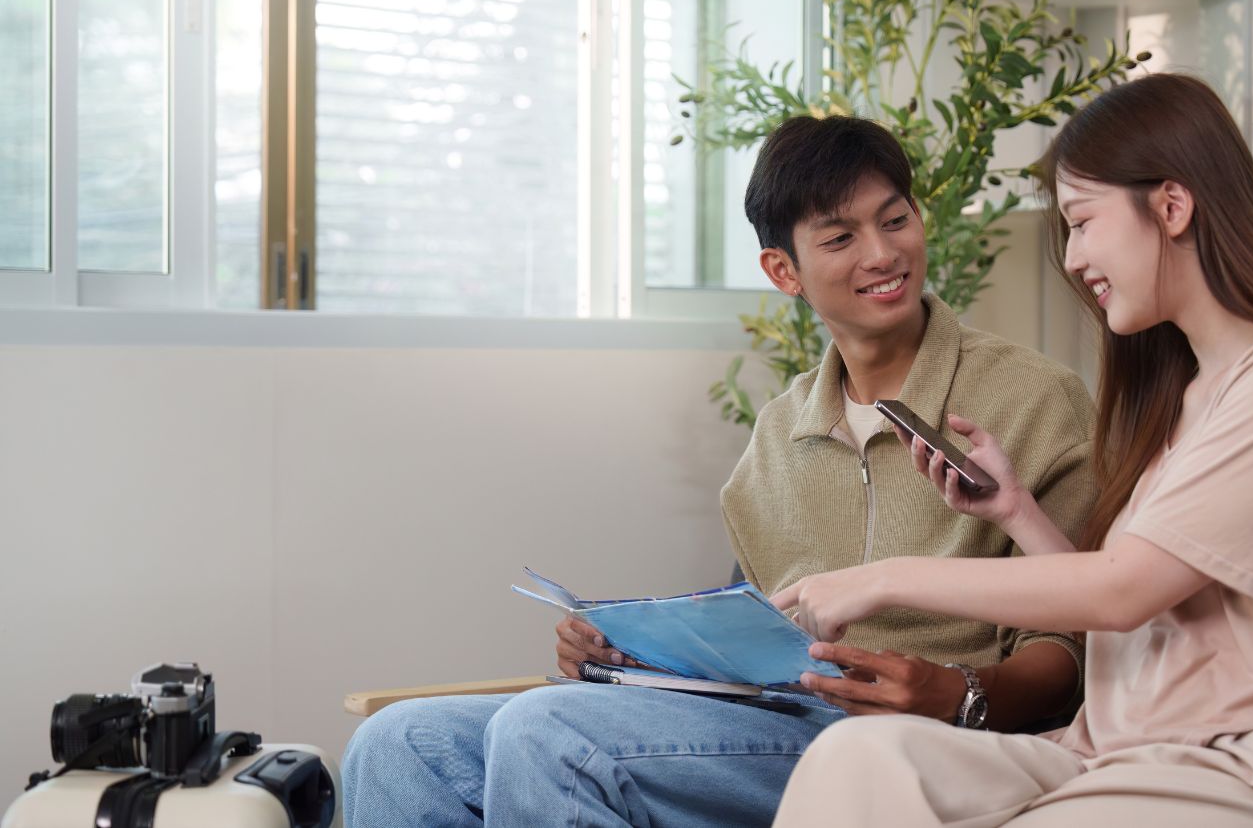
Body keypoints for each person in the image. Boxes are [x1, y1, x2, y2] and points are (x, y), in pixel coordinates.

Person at [340, 114, 1101, 827]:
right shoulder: (777, 435)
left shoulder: (1031, 399)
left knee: (550, 732)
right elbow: (745, 638)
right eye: (840, 237)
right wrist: (626, 660)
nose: (882, 254)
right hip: (775, 720)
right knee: (401, 743)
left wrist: (950, 692)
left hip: (926, 739)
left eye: (896, 219)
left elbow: (1073, 652)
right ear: (784, 270)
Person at [769, 74, 1253, 828]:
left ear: (1172, 207)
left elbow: (1124, 591)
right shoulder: (1188, 395)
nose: (1076, 259)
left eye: (1082, 222)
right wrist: (1017, 513)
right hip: (1118, 757)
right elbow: (1148, 608)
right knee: (857, 758)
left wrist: (882, 580)